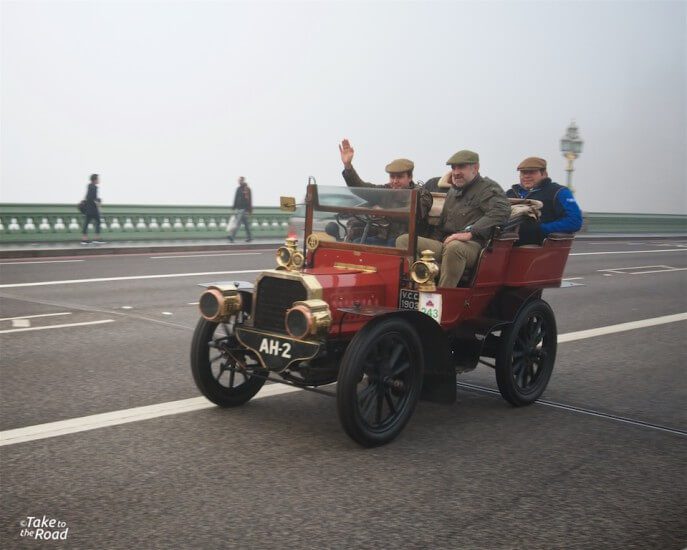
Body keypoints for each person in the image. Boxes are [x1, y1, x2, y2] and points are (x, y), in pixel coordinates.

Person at [396, 150, 510, 287]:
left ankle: (443, 296)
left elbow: (502, 210)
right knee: (404, 240)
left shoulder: (487, 188)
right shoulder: (453, 190)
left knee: (454, 248)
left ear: (476, 168)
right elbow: (442, 223)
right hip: (446, 242)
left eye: (461, 167)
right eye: (453, 168)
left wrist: (470, 232)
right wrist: (433, 242)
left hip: (473, 245)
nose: (456, 172)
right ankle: (419, 285)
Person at [338, 138, 432, 245]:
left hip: (408, 243)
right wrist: (348, 166)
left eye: (400, 177)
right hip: (383, 238)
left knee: (392, 244)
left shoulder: (422, 194)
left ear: (410, 177)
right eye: (392, 177)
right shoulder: (386, 191)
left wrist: (384, 212)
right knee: (357, 243)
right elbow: (362, 189)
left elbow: (413, 213)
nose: (395, 181)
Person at [507, 157, 583, 245]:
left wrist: (539, 229)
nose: (526, 176)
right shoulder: (510, 194)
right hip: (505, 242)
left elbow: (574, 221)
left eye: (531, 172)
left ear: (544, 174)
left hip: (538, 244)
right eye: (523, 172)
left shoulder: (558, 192)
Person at [228, 176, 253, 243]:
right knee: (246, 224)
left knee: (237, 223)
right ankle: (249, 237)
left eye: (240, 180)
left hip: (244, 209)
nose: (239, 182)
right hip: (238, 209)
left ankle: (232, 237)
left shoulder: (247, 189)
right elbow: (235, 198)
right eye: (238, 180)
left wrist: (249, 210)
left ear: (243, 181)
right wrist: (233, 208)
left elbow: (249, 199)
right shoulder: (238, 189)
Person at [81, 173, 103, 245]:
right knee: (98, 222)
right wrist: (98, 201)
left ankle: (84, 239)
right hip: (93, 209)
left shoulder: (89, 186)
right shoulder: (94, 187)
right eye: (98, 179)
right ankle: (96, 238)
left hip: (88, 208)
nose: (99, 180)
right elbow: (92, 198)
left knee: (86, 223)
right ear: (95, 179)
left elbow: (88, 197)